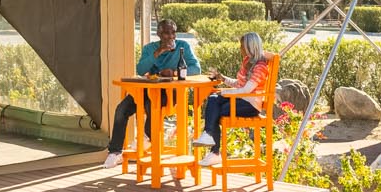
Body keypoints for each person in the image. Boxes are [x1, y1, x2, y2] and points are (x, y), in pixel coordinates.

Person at [103, 18, 203, 167]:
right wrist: (158, 52)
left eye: (173, 33)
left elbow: (196, 68)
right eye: (166, 33)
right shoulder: (150, 49)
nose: (171, 37)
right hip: (146, 90)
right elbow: (141, 70)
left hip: (169, 93)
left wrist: (174, 72)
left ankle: (146, 138)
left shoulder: (183, 46)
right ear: (159, 34)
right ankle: (115, 152)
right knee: (121, 109)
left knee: (152, 105)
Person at [196, 31, 271, 169]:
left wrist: (225, 92)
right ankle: (210, 140)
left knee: (216, 109)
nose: (240, 48)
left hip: (250, 105)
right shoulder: (247, 61)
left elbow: (246, 90)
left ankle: (213, 148)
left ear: (250, 47)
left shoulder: (260, 67)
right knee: (213, 98)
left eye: (242, 46)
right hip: (240, 100)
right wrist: (223, 78)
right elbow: (239, 84)